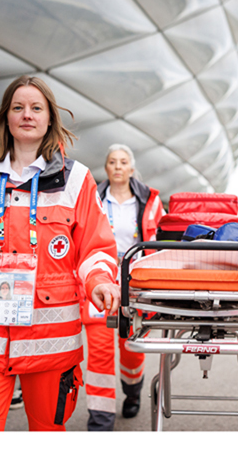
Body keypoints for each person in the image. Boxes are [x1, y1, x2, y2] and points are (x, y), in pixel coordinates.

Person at [0, 75, 120, 431]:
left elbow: (95, 247)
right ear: (5, 118)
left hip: (50, 337)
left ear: (50, 119)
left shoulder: (77, 180)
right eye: (18, 107)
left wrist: (100, 280)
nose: (27, 115)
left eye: (36, 108)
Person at [83, 143, 165, 431]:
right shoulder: (92, 198)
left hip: (135, 283)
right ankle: (101, 417)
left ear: (131, 169)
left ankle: (132, 391)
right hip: (100, 280)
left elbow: (159, 243)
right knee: (99, 351)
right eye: (112, 162)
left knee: (131, 348)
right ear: (106, 168)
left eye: (123, 162)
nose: (117, 166)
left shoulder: (151, 202)